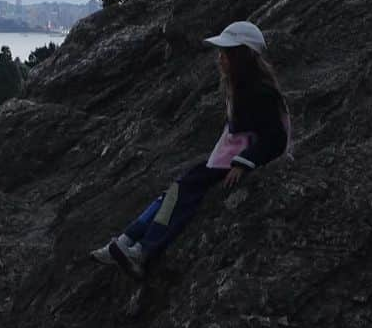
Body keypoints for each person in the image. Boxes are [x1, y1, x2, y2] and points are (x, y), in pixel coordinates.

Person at [91, 21, 291, 279]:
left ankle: (142, 248)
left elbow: (275, 137)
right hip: (226, 160)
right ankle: (127, 240)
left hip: (232, 162)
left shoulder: (260, 92)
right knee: (173, 193)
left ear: (241, 56)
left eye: (226, 53)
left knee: (179, 193)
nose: (220, 58)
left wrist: (244, 162)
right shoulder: (245, 88)